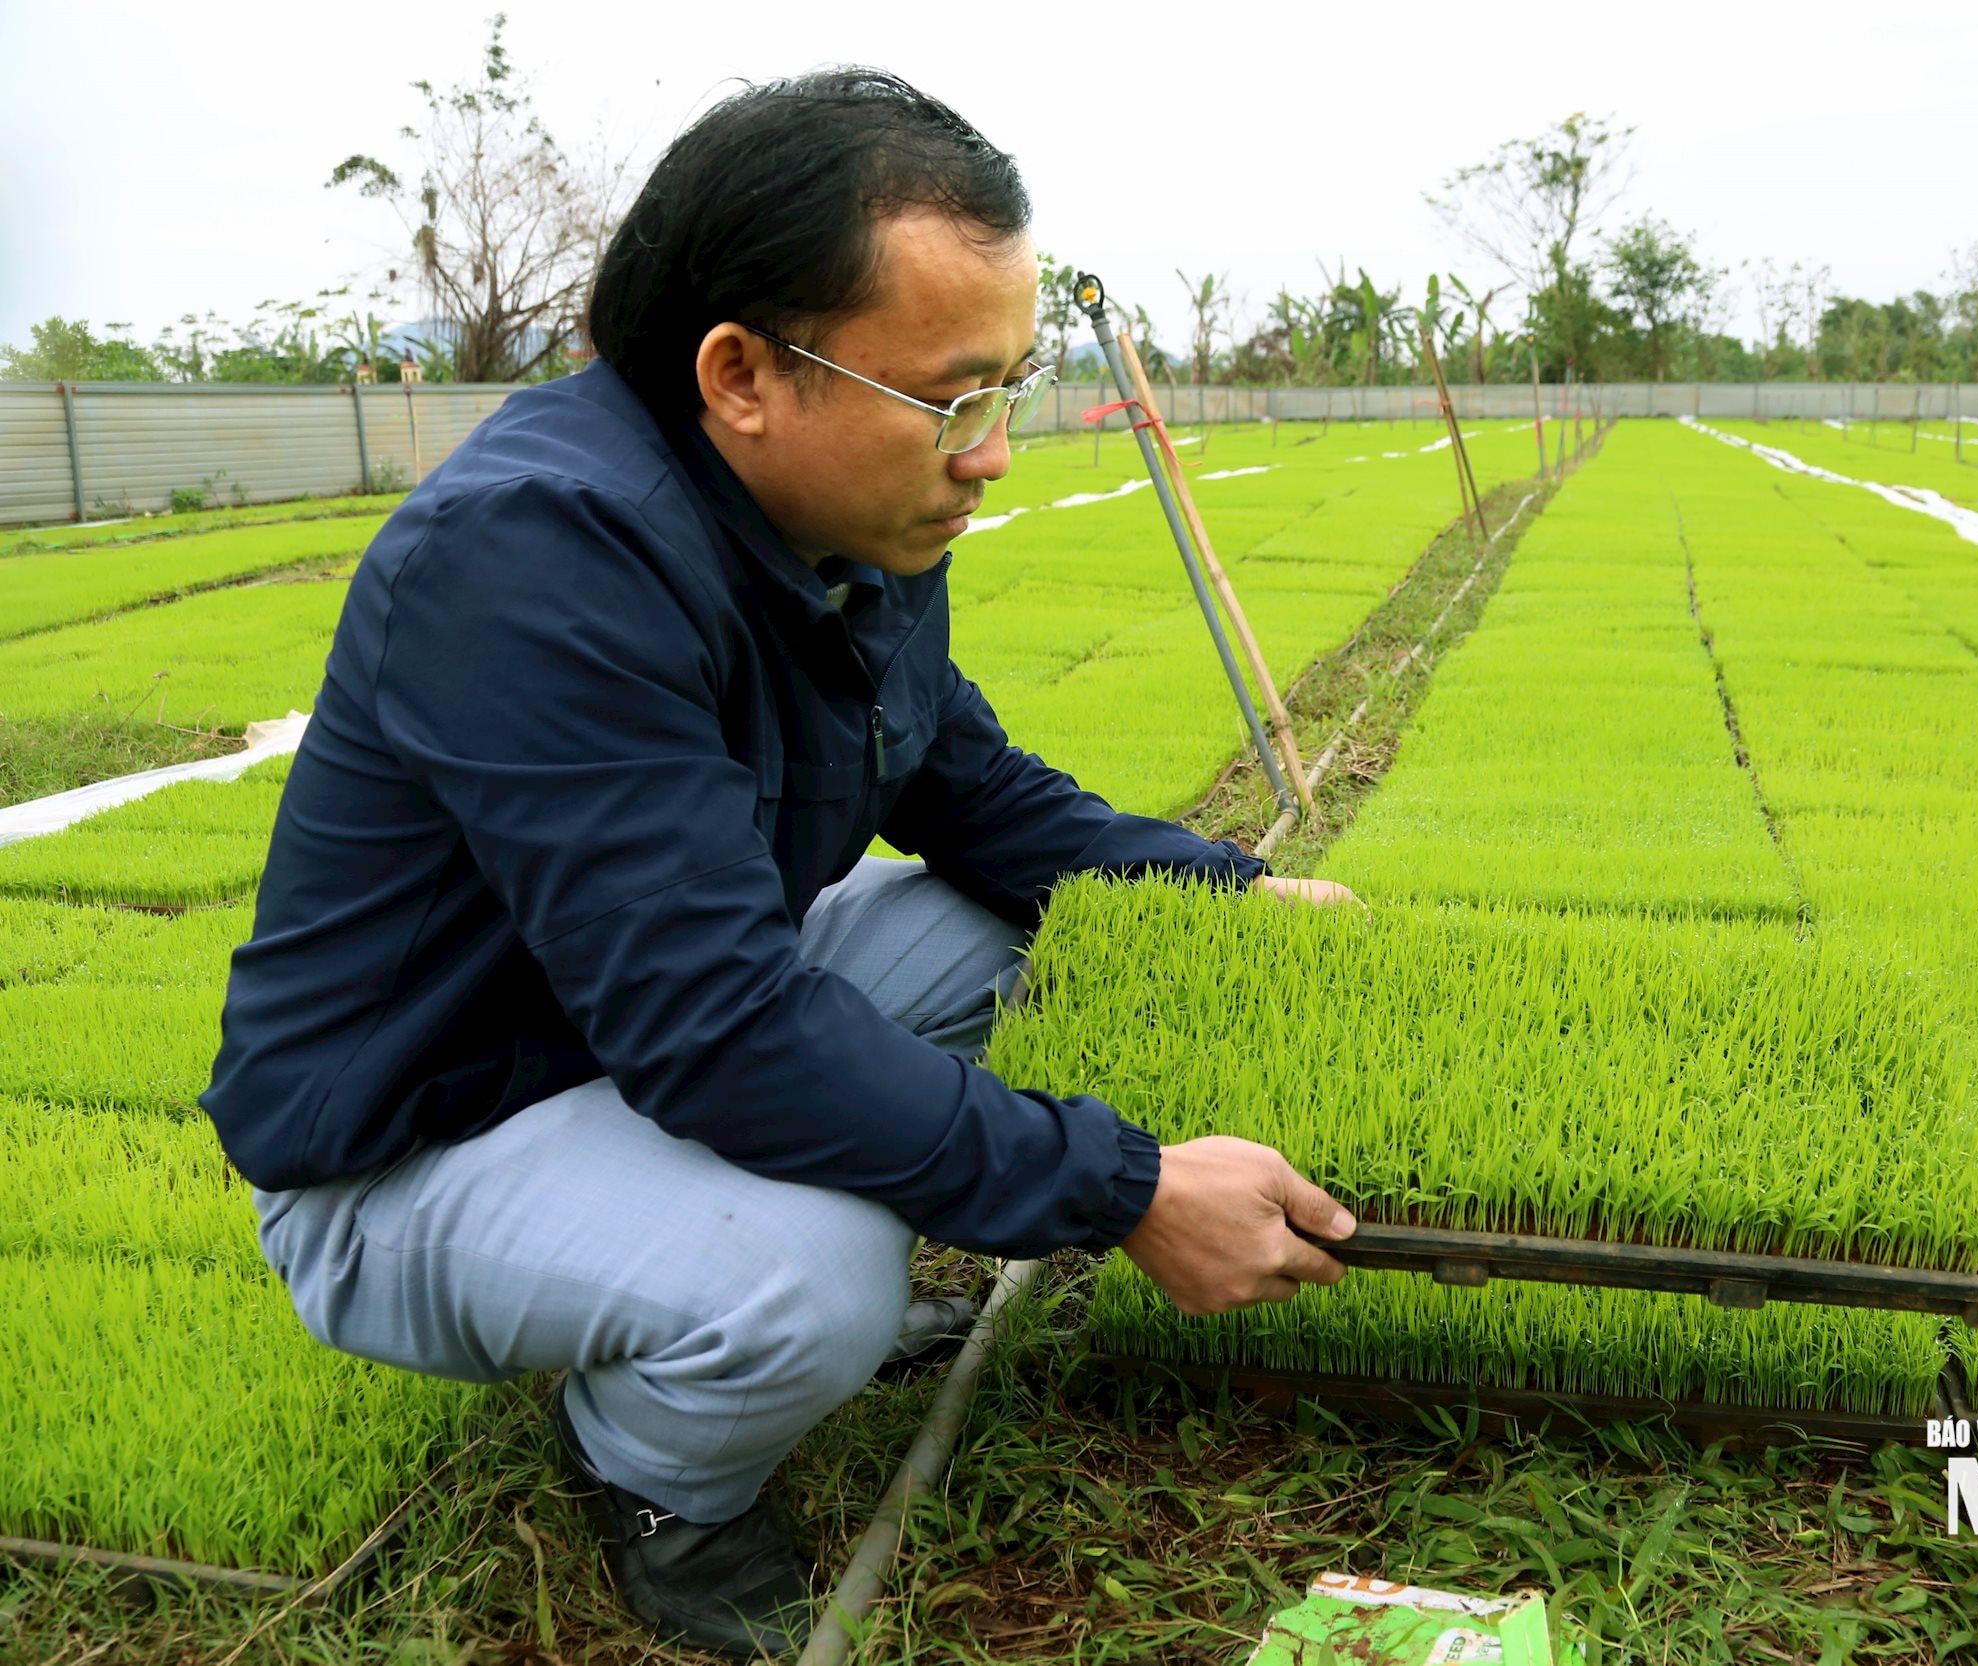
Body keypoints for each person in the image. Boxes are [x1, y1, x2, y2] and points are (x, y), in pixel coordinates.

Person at [200, 67, 1360, 1659]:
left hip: (635, 1016)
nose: (990, 456)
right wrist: (1129, 1186)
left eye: (1009, 390)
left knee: (1060, 929)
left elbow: (974, 791)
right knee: (816, 1276)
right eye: (952, 399)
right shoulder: (534, 557)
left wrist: (1232, 893)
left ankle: (682, 1244)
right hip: (424, 1135)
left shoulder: (845, 530)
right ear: (742, 373)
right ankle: (655, 1474)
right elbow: (718, 1026)